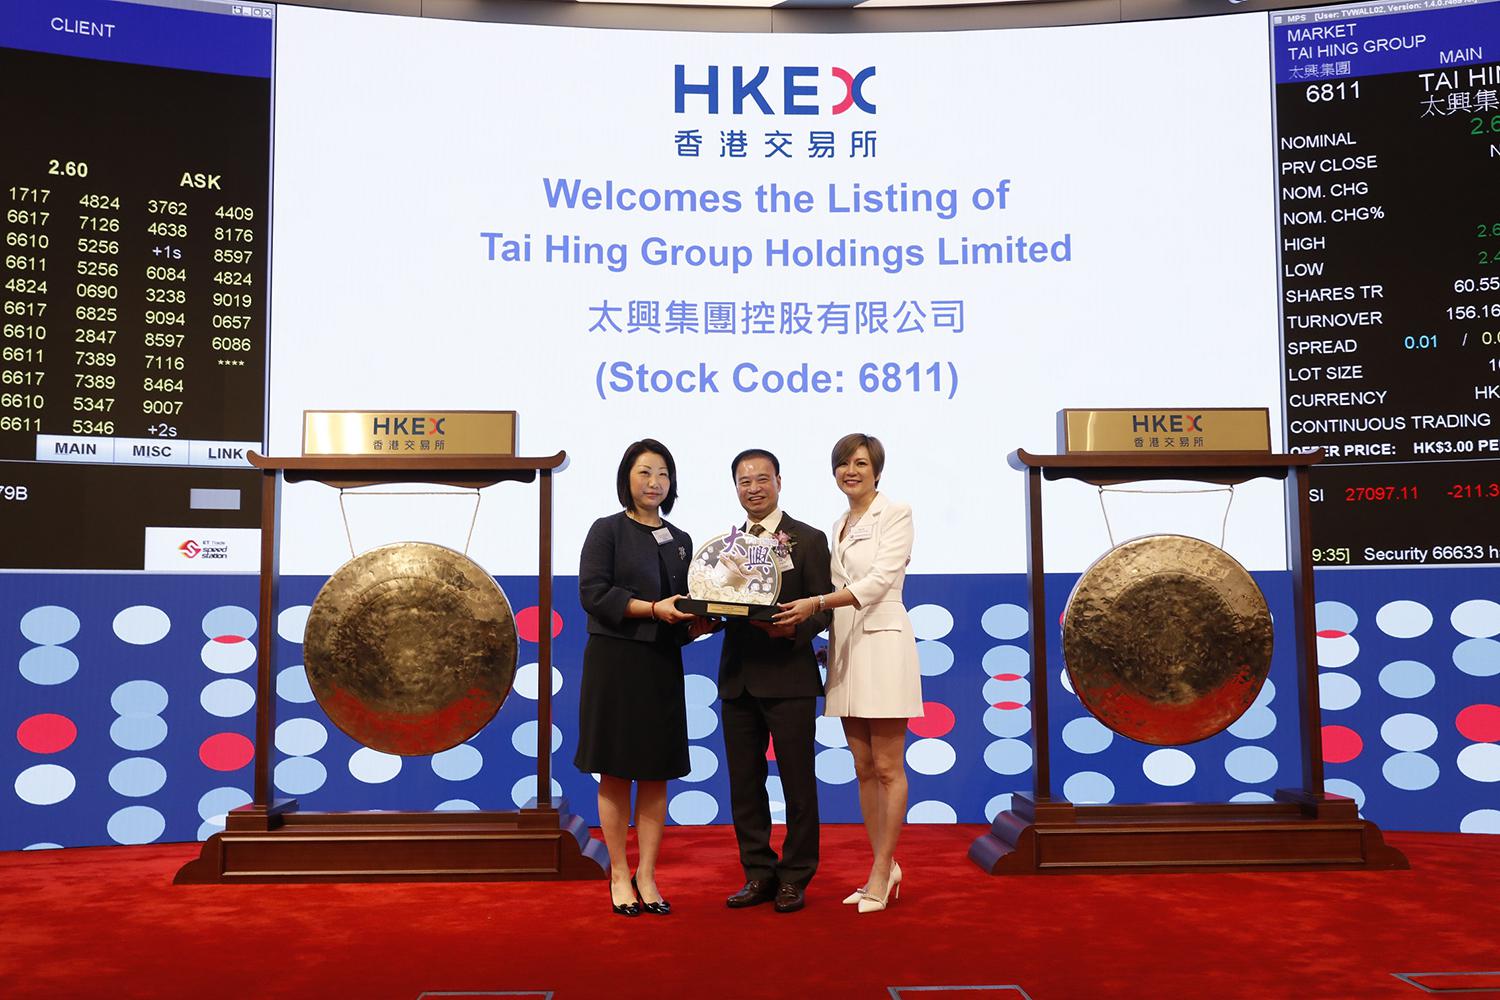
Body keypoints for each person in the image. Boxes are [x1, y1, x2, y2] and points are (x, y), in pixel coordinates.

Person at [773, 433, 922, 914]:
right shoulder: (837, 524)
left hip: (884, 645)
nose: (850, 471)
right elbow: (839, 586)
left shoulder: (896, 512)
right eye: (843, 464)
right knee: (862, 767)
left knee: (888, 766)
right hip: (845, 649)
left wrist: (815, 603)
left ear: (877, 470)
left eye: (860, 463)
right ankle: (882, 864)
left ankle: (882, 871)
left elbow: (877, 582)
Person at [574, 439, 706, 917]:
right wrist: (652, 609)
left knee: (656, 771)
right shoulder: (606, 530)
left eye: (663, 473)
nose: (655, 482)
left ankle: (646, 875)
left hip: (660, 665)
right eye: (645, 472)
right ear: (626, 478)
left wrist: (700, 622)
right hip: (614, 662)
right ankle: (618, 873)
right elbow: (593, 593)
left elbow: (683, 607)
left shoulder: (682, 540)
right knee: (615, 769)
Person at [718, 448, 832, 914]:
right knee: (745, 786)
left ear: (779, 482)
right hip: (738, 681)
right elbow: (718, 600)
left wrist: (795, 629)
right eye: (744, 481)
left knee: (798, 784)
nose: (754, 488)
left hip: (790, 679)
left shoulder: (808, 539)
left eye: (762, 479)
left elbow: (824, 608)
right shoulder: (725, 547)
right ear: (736, 488)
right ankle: (758, 874)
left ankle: (796, 876)